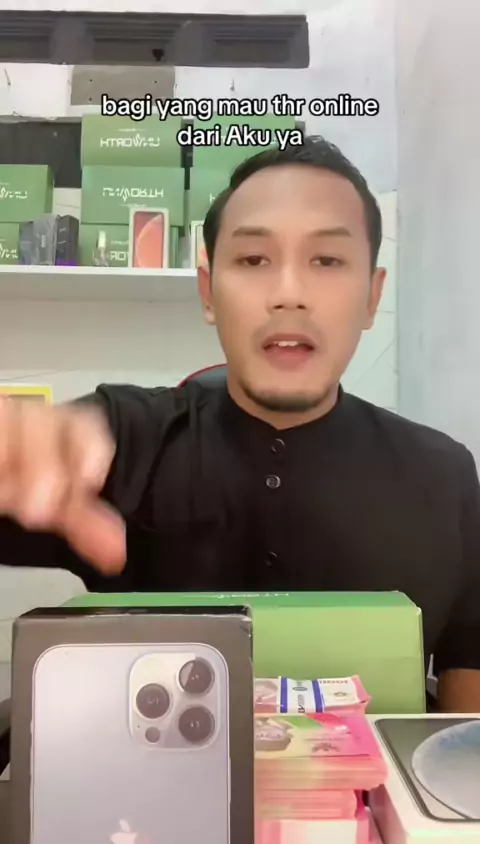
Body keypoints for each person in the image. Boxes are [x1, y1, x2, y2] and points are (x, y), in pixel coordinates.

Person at [0, 136, 479, 712]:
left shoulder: (444, 475)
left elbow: (467, 676)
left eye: (327, 261)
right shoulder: (120, 438)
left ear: (372, 297)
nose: (289, 294)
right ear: (208, 291)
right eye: (253, 260)